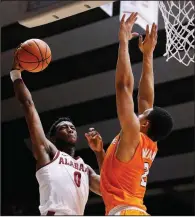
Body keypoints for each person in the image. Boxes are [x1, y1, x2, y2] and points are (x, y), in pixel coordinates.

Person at [88, 13, 173, 215]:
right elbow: (145, 100)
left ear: (144, 124)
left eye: (143, 115)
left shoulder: (134, 134)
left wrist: (124, 42)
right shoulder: (145, 142)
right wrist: (147, 55)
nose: (138, 113)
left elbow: (123, 87)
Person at [10, 55, 102, 215]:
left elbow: (108, 188)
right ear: (52, 138)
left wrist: (99, 152)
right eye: (64, 128)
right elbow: (28, 105)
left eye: (72, 127)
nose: (70, 129)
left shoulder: (85, 168)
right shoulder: (48, 152)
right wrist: (16, 75)